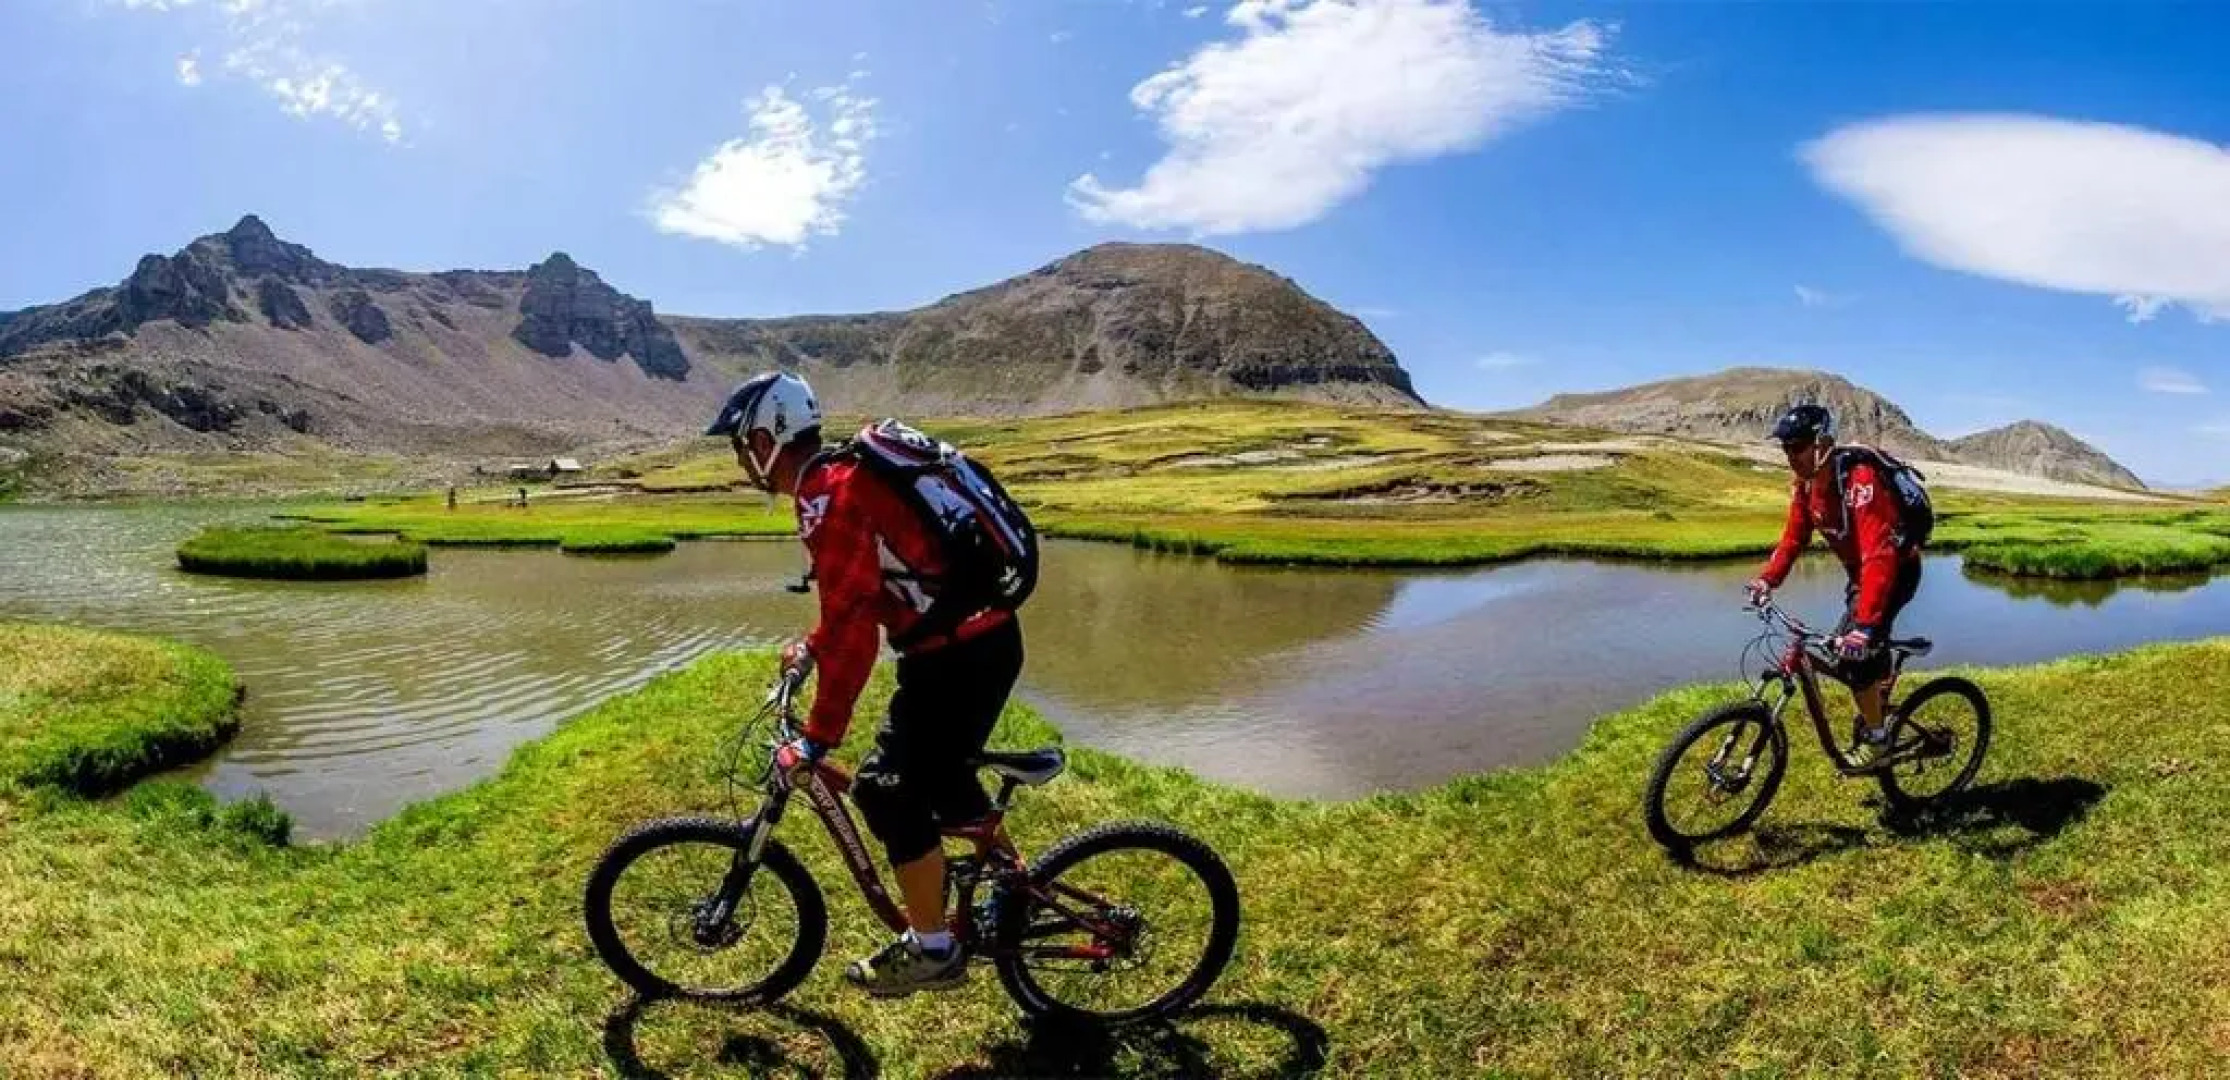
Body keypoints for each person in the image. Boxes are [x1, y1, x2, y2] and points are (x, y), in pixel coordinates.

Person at [705, 371, 1026, 997]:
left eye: (743, 444)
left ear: (770, 437)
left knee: (885, 789)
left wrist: (819, 738)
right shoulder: (840, 481)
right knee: (944, 775)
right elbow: (862, 598)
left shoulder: (829, 495)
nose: (741, 459)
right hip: (973, 645)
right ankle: (1013, 889)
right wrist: (812, 646)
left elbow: (855, 629)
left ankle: (933, 948)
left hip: (960, 657)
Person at [1745, 403, 1925, 771]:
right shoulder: (1806, 487)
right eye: (1786, 449)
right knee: (1856, 652)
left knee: (1854, 658)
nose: (1791, 456)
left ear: (1822, 443)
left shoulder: (1860, 480)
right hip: (1862, 576)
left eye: (1797, 447)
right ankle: (1878, 682)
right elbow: (1793, 540)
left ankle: (1877, 741)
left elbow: (1879, 555)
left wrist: (1864, 627)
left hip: (1895, 572)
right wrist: (1767, 579)